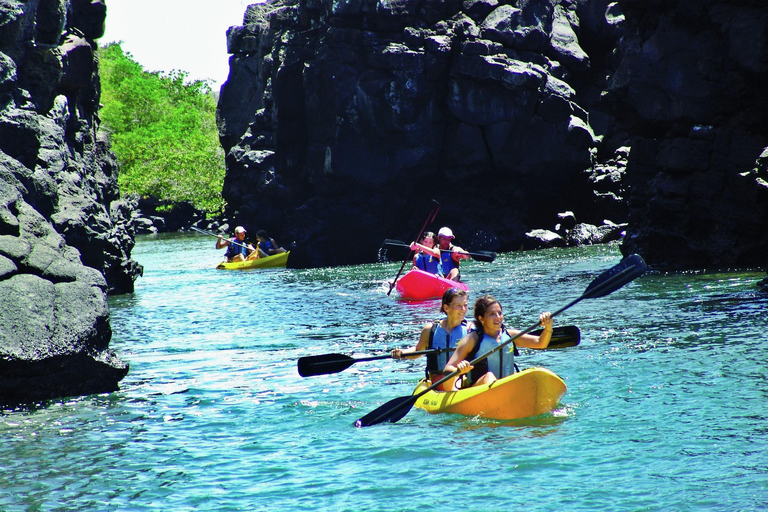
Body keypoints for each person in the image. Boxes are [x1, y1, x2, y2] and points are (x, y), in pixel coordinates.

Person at [441, 294, 554, 390]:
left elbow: (540, 343)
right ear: (481, 319)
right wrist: (460, 369)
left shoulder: (510, 335)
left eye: (499, 313)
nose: (498, 317)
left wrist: (548, 326)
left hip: (506, 388)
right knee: (489, 376)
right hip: (479, 390)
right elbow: (448, 369)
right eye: (492, 314)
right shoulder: (472, 339)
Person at [391, 288, 472, 390]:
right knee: (449, 377)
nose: (463, 309)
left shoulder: (470, 330)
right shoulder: (431, 329)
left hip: (462, 378)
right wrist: (402, 353)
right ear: (446, 308)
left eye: (465, 305)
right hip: (439, 378)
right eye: (458, 306)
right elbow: (418, 350)